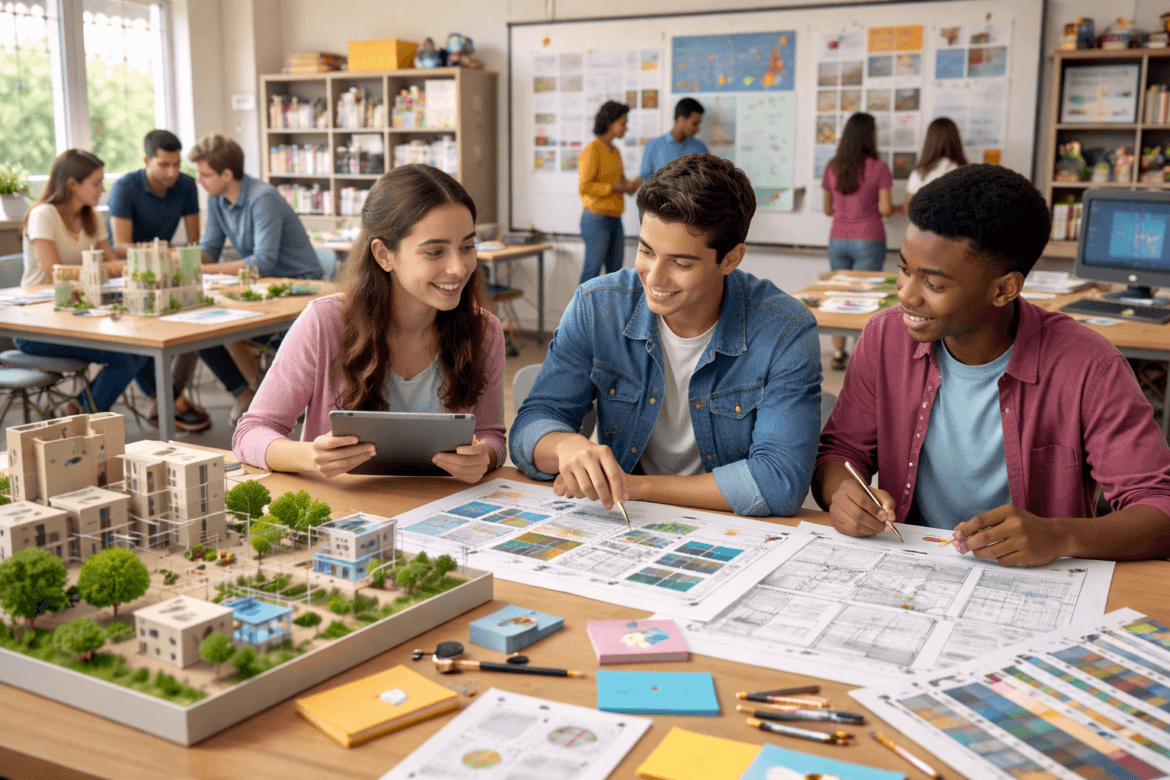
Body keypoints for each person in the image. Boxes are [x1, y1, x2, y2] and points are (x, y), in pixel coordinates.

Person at [814, 164, 1170, 566]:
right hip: (912, 562)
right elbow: (840, 452)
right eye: (904, 270)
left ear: (1004, 289)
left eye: (934, 284)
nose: (907, 296)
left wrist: (1060, 535)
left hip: (1036, 581)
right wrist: (842, 492)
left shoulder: (1090, 366)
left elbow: (1159, 509)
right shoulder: (884, 338)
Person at [511, 154, 822, 517]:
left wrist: (635, 487)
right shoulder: (598, 306)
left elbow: (778, 482)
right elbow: (530, 426)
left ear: (731, 259)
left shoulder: (786, 330)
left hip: (724, 527)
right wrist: (565, 445)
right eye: (646, 251)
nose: (654, 278)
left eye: (681, 263)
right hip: (628, 526)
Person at [232, 164, 505, 482]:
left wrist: (484, 455)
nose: (458, 268)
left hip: (442, 514)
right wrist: (309, 456)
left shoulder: (485, 332)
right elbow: (250, 433)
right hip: (345, 513)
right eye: (434, 252)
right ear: (383, 255)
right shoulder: (325, 322)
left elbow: (491, 435)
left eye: (467, 247)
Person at [108, 129, 251, 432]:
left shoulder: (186, 186)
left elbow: (198, 244)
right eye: (163, 165)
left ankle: (170, 400)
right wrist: (161, 254)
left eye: (176, 165)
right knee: (142, 334)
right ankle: (171, 400)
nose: (172, 172)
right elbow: (120, 244)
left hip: (168, 270)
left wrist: (181, 262)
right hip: (130, 272)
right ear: (147, 160)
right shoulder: (125, 187)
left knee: (196, 324)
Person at [189, 133, 324, 423]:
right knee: (196, 329)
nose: (199, 181)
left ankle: (270, 399)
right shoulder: (217, 199)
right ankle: (247, 395)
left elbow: (262, 262)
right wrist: (179, 262)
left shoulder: (262, 198)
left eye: (205, 175)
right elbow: (210, 250)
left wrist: (203, 271)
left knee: (226, 328)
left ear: (227, 174)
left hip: (297, 286)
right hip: (263, 288)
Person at [16, 150, 150, 413]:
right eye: (96, 183)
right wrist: (100, 269)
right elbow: (54, 271)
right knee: (127, 356)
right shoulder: (43, 214)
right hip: (37, 326)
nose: (102, 189)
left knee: (143, 349)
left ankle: (78, 411)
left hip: (79, 318)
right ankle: (81, 416)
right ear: (72, 184)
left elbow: (114, 264)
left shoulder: (92, 217)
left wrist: (102, 269)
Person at [822, 112, 893, 370]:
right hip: (869, 238)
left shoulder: (832, 166)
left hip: (837, 238)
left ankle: (839, 353)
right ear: (869, 135)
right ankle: (861, 355)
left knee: (838, 294)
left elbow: (827, 209)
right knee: (866, 298)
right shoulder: (879, 167)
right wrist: (895, 208)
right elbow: (885, 209)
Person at [578, 101, 643, 285]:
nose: (626, 128)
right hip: (596, 219)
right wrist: (616, 187)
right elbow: (585, 187)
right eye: (623, 123)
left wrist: (630, 185)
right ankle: (581, 314)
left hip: (615, 218)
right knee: (592, 271)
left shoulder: (615, 151)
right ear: (609, 123)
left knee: (615, 274)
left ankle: (609, 314)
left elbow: (620, 183)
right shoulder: (592, 150)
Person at [900, 117, 967, 211]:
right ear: (956, 140)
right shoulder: (966, 171)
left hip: (924, 225)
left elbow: (907, 208)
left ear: (929, 140)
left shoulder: (919, 173)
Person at [639, 98, 708, 180]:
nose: (697, 129)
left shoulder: (700, 147)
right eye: (694, 123)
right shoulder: (653, 145)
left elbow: (709, 176)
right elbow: (644, 180)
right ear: (681, 119)